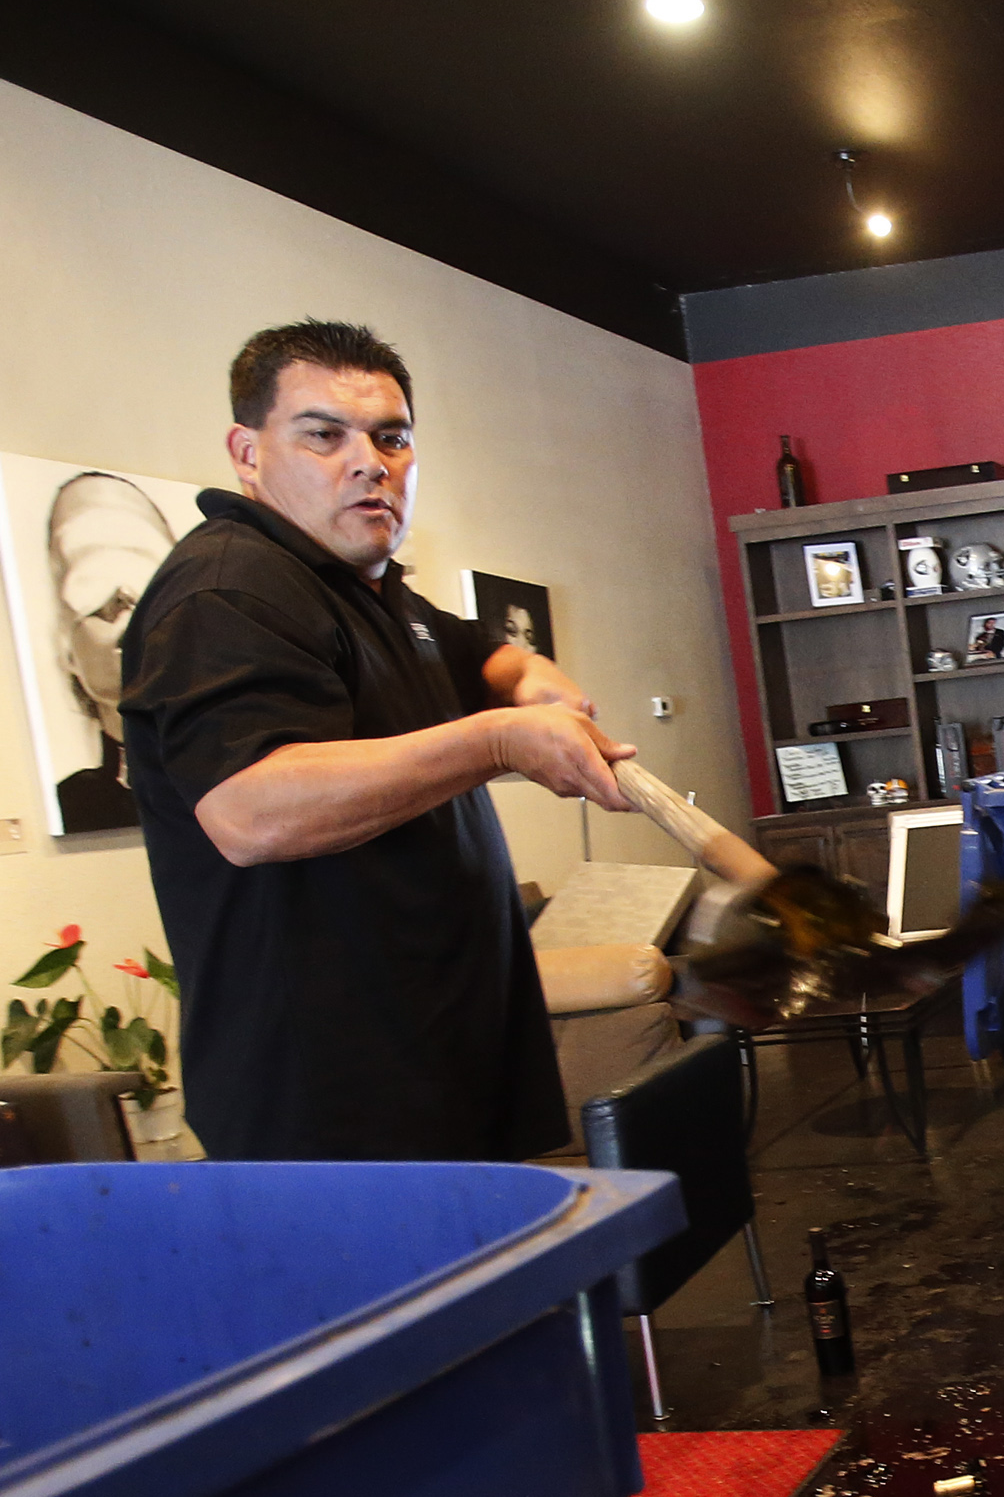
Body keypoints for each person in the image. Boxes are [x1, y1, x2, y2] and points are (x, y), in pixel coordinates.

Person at [119, 318, 769, 1162]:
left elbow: (470, 651)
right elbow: (252, 809)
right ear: (247, 452)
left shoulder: (366, 588)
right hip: (337, 1104)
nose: (368, 461)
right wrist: (499, 740)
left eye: (391, 438)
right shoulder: (229, 591)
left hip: (440, 1057)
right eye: (323, 435)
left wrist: (521, 674)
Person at [41, 470, 175, 832]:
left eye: (147, 573)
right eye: (90, 578)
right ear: (64, 646)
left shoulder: (241, 771)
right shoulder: (76, 803)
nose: (124, 601)